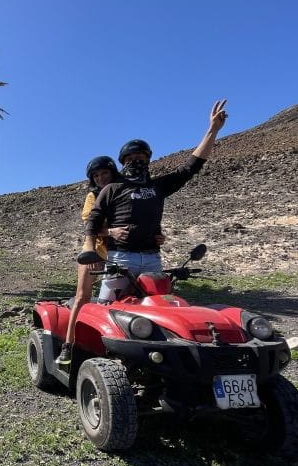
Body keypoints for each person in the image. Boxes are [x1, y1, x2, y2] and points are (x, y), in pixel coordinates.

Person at [78, 99, 228, 304]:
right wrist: (90, 249)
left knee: (156, 307)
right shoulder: (112, 189)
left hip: (152, 258)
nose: (135, 161)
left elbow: (190, 168)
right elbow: (93, 221)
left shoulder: (158, 187)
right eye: (130, 159)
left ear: (148, 159)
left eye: (140, 156)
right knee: (108, 308)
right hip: (121, 257)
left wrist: (212, 131)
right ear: (123, 163)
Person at [55, 156, 119, 367]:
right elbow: (90, 224)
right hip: (95, 251)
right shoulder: (93, 196)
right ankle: (69, 345)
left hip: (120, 254)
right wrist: (110, 232)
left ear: (112, 173)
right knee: (83, 296)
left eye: (104, 174)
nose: (101, 178)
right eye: (96, 175)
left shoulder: (123, 193)